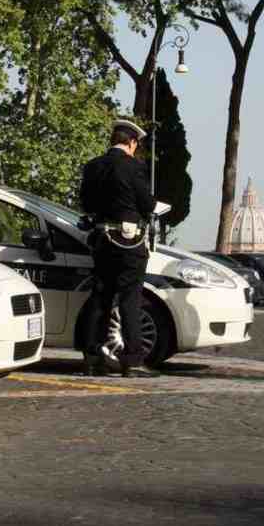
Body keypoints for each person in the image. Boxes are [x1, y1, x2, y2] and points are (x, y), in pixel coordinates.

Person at [78, 119, 158, 378]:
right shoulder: (134, 167)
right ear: (132, 143)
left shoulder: (93, 166)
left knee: (100, 295)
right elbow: (146, 204)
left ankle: (91, 357)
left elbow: (86, 202)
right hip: (128, 240)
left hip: (102, 238)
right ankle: (132, 361)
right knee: (130, 299)